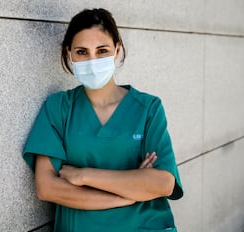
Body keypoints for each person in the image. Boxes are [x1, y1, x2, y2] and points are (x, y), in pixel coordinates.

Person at [22, 8, 183, 232]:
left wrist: (83, 175)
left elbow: (163, 183)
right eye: (82, 52)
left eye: (102, 50)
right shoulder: (59, 108)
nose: (92, 60)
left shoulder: (148, 108)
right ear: (70, 54)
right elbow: (47, 188)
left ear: (117, 50)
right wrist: (127, 194)